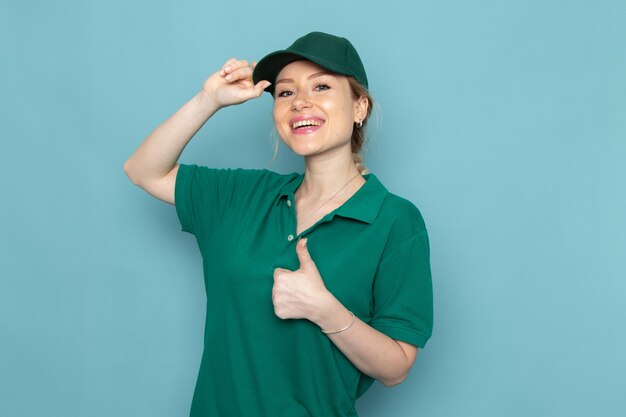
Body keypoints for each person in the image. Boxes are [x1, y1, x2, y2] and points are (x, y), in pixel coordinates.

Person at [124, 31, 433, 417]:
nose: (300, 101)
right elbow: (143, 170)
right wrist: (209, 101)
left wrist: (324, 309)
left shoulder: (394, 220)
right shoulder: (242, 196)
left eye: (321, 86)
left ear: (359, 108)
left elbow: (397, 366)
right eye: (285, 93)